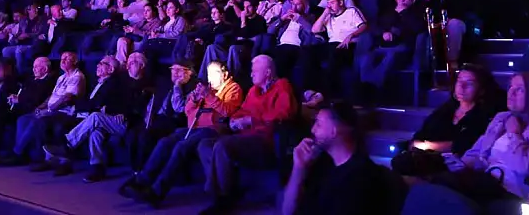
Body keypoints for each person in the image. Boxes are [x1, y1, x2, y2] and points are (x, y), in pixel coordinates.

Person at [122, 61, 244, 206]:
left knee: (182, 147)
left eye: (214, 73)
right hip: (193, 128)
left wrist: (209, 97)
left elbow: (227, 111)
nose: (210, 77)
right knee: (165, 142)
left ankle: (157, 191)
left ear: (224, 74)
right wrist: (194, 99)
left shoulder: (233, 89)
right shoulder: (206, 88)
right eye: (209, 73)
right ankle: (141, 180)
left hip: (213, 129)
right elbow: (187, 111)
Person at [196, 55, 298, 215]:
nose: (251, 74)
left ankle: (223, 198)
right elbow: (241, 112)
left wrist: (252, 121)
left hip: (265, 142)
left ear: (268, 72)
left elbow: (284, 114)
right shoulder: (253, 91)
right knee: (204, 145)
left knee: (224, 146)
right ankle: (226, 190)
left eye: (255, 71)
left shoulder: (282, 86)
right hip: (243, 139)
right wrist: (234, 121)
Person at [454, 73, 529, 207]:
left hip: (514, 193)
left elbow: (527, 166)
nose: (511, 93)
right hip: (485, 180)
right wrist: (457, 166)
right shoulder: (502, 117)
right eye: (510, 87)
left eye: (519, 89)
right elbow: (477, 152)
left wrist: (514, 134)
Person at [283, 102, 408, 215]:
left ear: (334, 131)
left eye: (318, 124)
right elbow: (288, 211)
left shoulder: (360, 178)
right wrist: (298, 168)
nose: (312, 129)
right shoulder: (321, 164)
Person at [41, 55, 131, 180]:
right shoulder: (99, 82)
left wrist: (120, 112)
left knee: (95, 117)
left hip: (119, 122)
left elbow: (99, 103)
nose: (98, 65)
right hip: (105, 119)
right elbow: (94, 103)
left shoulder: (114, 82)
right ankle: (97, 168)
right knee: (95, 132)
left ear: (111, 70)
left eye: (102, 63)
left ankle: (68, 145)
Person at [0, 52, 86, 167]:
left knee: (36, 121)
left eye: (66, 59)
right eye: (62, 58)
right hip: (51, 110)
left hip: (63, 112)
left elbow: (67, 98)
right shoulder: (62, 77)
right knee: (23, 119)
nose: (62, 61)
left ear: (75, 62)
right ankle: (23, 154)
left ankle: (17, 154)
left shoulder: (76, 77)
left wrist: (50, 109)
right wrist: (41, 107)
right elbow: (52, 97)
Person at [411, 65, 505, 156]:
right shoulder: (445, 110)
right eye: (459, 81)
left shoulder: (483, 116)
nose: (462, 86)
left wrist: (428, 145)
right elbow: (421, 134)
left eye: (470, 83)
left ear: (482, 90)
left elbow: (465, 145)